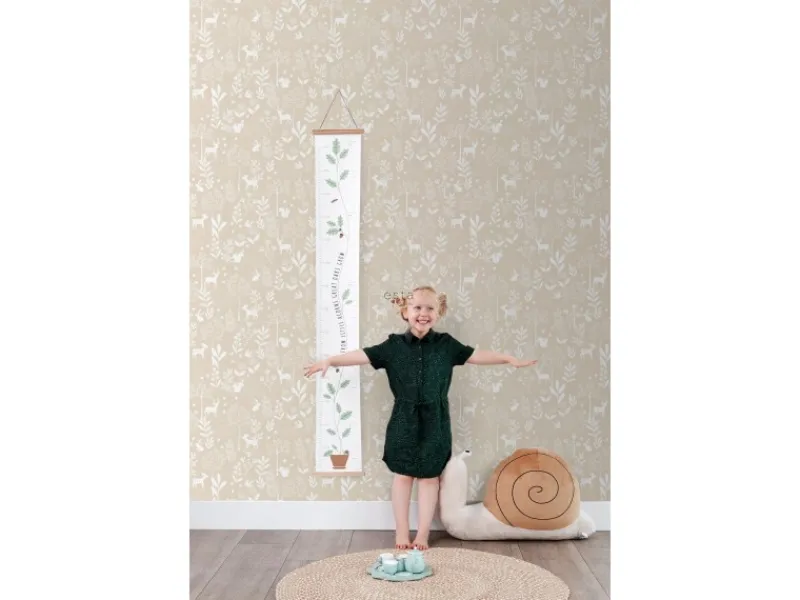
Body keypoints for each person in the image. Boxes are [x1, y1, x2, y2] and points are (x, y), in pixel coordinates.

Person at [303, 285, 537, 550]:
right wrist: (331, 361)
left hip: (436, 420)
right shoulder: (392, 346)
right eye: (417, 307)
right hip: (403, 419)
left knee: (429, 478)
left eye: (430, 308)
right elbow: (363, 355)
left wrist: (507, 358)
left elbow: (476, 355)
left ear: (438, 313)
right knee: (403, 475)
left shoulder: (447, 345)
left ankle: (423, 534)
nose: (423, 313)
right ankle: (401, 532)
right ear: (405, 312)